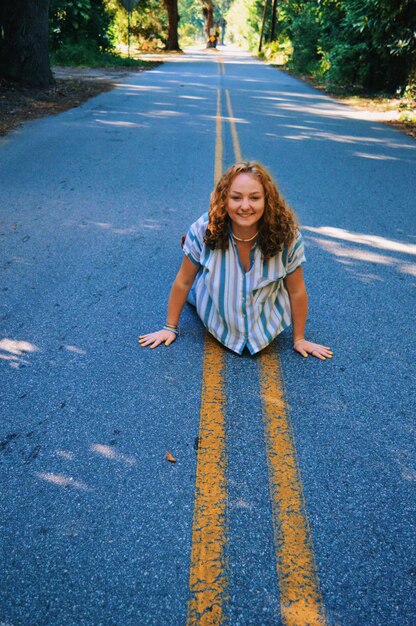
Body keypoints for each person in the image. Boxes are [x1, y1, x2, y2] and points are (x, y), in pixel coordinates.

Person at [139, 161, 333, 360]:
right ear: (224, 199)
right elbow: (184, 281)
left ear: (267, 200)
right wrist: (169, 328)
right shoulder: (203, 229)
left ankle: (198, 260)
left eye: (255, 198)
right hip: (213, 306)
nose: (245, 206)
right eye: (236, 198)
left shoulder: (288, 237)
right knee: (196, 286)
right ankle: (195, 255)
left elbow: (297, 290)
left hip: (266, 323)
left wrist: (299, 339)